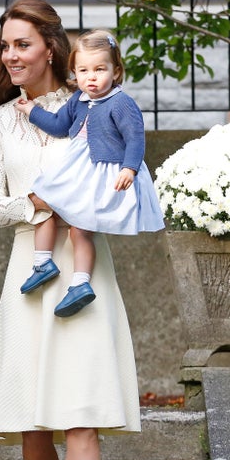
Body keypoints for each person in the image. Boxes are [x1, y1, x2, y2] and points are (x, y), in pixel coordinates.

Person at [0, 0, 141, 460]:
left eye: (22, 44)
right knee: (32, 423)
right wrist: (41, 202)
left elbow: (120, 177)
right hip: (29, 269)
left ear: (50, 48)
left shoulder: (94, 105)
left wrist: (87, 197)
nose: (11, 55)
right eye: (5, 46)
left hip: (84, 268)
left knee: (82, 418)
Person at [14, 29, 164, 317]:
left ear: (116, 71)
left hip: (102, 173)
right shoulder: (79, 99)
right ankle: (43, 262)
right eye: (83, 70)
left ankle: (80, 283)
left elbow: (135, 138)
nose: (91, 77)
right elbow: (59, 125)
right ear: (74, 71)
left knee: (80, 228)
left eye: (99, 69)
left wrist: (129, 168)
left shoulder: (121, 103)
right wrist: (32, 110)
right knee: (43, 201)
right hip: (77, 169)